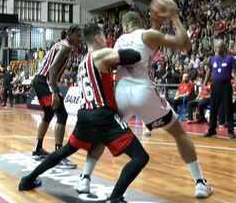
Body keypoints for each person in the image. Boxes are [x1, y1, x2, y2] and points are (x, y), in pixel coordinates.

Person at [77, 0, 213, 199]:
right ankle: (200, 183)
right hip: (143, 92)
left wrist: (156, 22)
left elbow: (140, 48)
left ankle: (85, 178)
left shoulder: (119, 41)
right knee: (178, 133)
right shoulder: (148, 35)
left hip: (121, 92)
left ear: (125, 26)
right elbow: (185, 44)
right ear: (141, 22)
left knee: (103, 135)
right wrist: (174, 16)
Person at [18, 23, 148, 203]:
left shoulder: (82, 63)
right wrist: (121, 49)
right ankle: (115, 198)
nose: (106, 40)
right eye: (104, 37)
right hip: (102, 115)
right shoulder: (101, 54)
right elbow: (135, 56)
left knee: (67, 150)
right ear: (97, 38)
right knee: (141, 157)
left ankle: (28, 179)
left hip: (85, 115)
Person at [30, 26, 81, 169]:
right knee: (62, 115)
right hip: (45, 81)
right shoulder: (66, 47)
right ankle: (59, 156)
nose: (80, 39)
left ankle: (37, 149)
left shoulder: (59, 44)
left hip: (40, 80)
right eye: (78, 35)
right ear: (70, 35)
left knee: (49, 113)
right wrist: (54, 91)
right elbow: (52, 70)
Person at [204, 39, 236, 139]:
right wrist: (204, 83)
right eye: (216, 47)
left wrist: (235, 83)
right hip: (215, 86)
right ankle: (212, 130)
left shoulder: (230, 58)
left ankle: (231, 131)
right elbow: (208, 71)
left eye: (220, 47)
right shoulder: (212, 59)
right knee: (213, 108)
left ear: (224, 47)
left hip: (226, 86)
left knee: (228, 108)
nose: (217, 49)